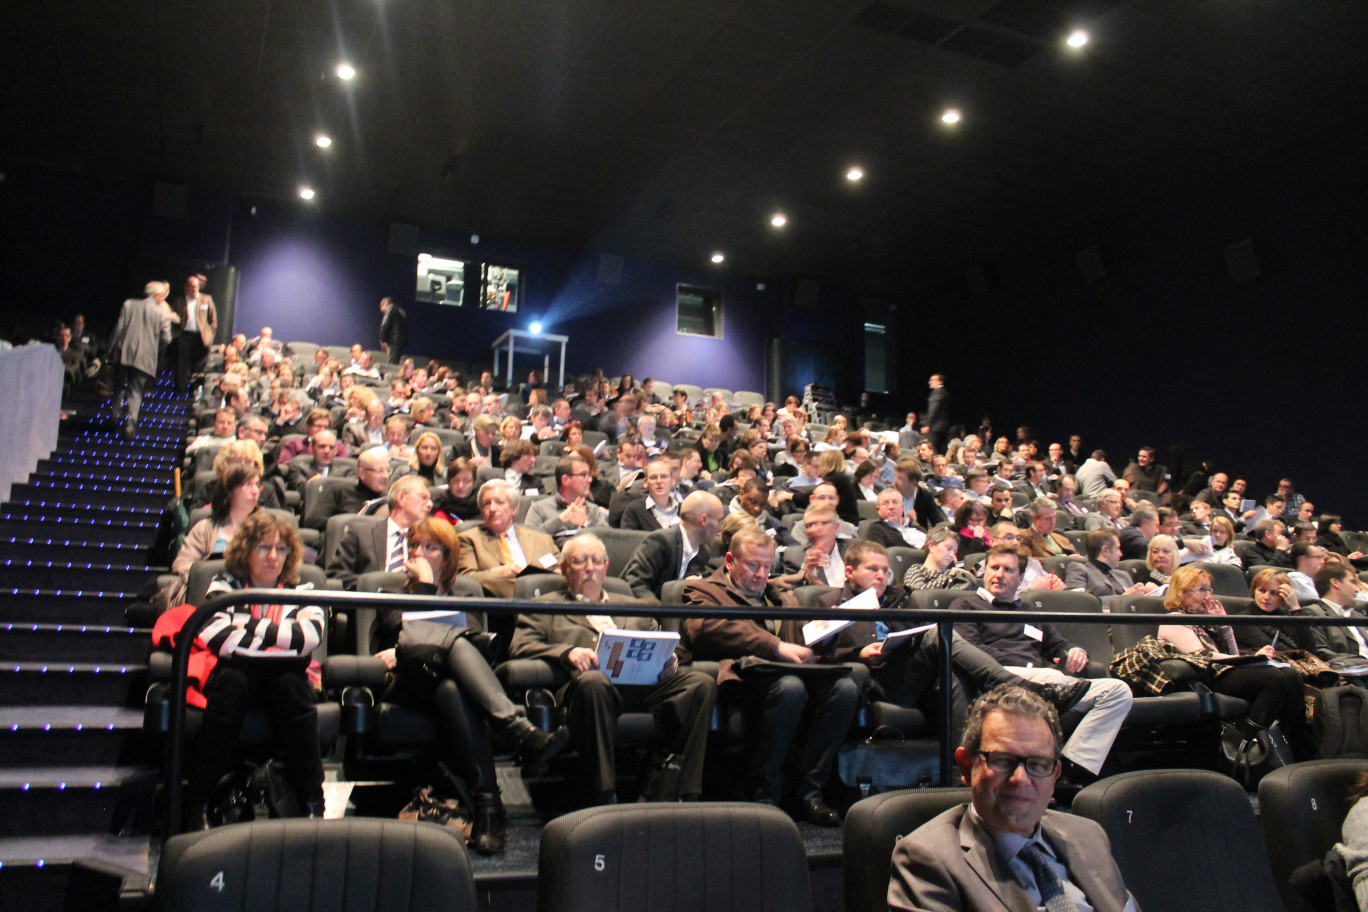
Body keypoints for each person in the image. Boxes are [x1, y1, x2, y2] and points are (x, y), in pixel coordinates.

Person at [373, 516, 567, 854]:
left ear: (447, 556)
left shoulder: (466, 591)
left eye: (430, 547)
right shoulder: (392, 592)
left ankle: (488, 810)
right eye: (414, 546)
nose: (419, 552)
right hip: (409, 684)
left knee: (452, 684)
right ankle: (518, 730)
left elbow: (479, 650)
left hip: (449, 686)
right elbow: (412, 640)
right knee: (456, 642)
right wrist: (424, 585)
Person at [887, 685, 1138, 912]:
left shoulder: (1088, 835)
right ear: (966, 766)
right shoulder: (928, 858)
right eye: (1003, 761)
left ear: (1055, 776)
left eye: (1038, 764)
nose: (1020, 779)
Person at [510, 534, 718, 806]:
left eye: (597, 561)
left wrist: (670, 660)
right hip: (586, 691)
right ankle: (602, 793)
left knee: (700, 683)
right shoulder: (546, 606)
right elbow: (520, 646)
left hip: (641, 686)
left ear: (606, 568)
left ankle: (681, 789)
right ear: (563, 569)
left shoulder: (630, 605)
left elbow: (666, 643)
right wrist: (567, 652)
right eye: (580, 561)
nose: (589, 568)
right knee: (594, 681)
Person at [813, 542, 1086, 741]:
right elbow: (816, 654)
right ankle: (1015, 685)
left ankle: (959, 770)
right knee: (940, 633)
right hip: (873, 681)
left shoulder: (901, 598)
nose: (881, 576)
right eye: (873, 569)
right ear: (849, 572)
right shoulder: (830, 603)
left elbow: (920, 634)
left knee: (947, 654)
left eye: (885, 570)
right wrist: (859, 653)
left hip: (909, 676)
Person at [682, 524, 858, 825]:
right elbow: (706, 628)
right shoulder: (703, 590)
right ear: (729, 561)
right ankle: (764, 793)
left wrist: (826, 632)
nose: (762, 575)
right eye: (753, 566)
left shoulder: (780, 595)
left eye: (767, 567)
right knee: (790, 688)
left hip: (789, 674)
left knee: (844, 688)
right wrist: (775, 646)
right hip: (741, 679)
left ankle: (809, 792)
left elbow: (799, 641)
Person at [183, 513, 328, 829]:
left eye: (281, 549)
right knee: (234, 681)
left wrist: (245, 625)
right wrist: (279, 636)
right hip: (239, 676)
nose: (273, 556)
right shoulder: (224, 584)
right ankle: (198, 804)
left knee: (291, 684)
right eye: (264, 547)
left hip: (284, 679)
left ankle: (313, 803)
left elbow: (310, 638)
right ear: (246, 550)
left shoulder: (303, 588)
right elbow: (213, 634)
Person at [951, 545, 1133, 781]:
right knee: (1058, 678)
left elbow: (1058, 644)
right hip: (998, 678)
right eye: (994, 568)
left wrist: (1073, 651)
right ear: (984, 572)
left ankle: (1071, 767)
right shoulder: (965, 606)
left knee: (1119, 691)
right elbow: (971, 651)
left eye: (1008, 570)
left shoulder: (1029, 611)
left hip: (1044, 679)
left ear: (1020, 578)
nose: (999, 574)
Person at [1156, 565, 1305, 744]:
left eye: (1208, 590)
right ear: (1181, 592)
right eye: (1201, 590)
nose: (1208, 596)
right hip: (1202, 677)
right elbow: (1204, 656)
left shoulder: (1205, 618)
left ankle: (1283, 740)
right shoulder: (1174, 620)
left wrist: (1224, 625)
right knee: (1273, 678)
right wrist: (1250, 659)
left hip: (1221, 672)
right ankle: (1245, 743)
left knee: (1291, 675)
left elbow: (1232, 653)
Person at [166, 464, 262, 606]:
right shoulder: (206, 528)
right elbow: (182, 564)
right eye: (248, 485)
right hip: (211, 598)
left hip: (254, 597)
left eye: (257, 485)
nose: (255, 491)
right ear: (229, 491)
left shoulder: (266, 530)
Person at [455, 480, 560, 598]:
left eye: (499, 502)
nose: (492, 508)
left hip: (549, 602)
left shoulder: (542, 538)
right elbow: (466, 579)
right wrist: (496, 572)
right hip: (503, 605)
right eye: (486, 504)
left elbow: (562, 570)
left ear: (513, 508)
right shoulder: (468, 539)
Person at [328, 475, 433, 588]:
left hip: (412, 602)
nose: (430, 504)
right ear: (401, 498)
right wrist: (374, 587)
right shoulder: (360, 533)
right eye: (423, 498)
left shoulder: (430, 542)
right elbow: (336, 575)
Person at [621, 490, 723, 600]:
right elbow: (635, 585)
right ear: (703, 520)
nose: (720, 528)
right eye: (719, 521)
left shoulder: (703, 552)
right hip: (644, 611)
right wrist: (661, 613)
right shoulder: (661, 541)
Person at [109, 281, 173, 438]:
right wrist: (153, 347)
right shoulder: (162, 314)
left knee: (118, 387)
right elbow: (167, 338)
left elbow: (118, 328)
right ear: (156, 296)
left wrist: (109, 349)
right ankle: (130, 425)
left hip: (123, 353)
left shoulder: (129, 304)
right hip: (144, 359)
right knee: (135, 392)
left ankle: (114, 416)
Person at [523, 453, 610, 547]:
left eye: (589, 475)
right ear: (565, 480)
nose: (589, 480)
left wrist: (586, 523)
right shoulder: (539, 508)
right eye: (583, 475)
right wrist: (560, 519)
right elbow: (529, 540)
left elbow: (609, 541)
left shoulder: (592, 509)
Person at [168, 273, 217, 393]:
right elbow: (170, 317)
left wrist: (210, 335)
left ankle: (195, 389)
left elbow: (213, 320)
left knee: (199, 364)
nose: (194, 288)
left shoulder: (206, 299)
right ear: (186, 287)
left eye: (196, 286)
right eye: (192, 286)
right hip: (184, 334)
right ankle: (180, 390)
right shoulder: (179, 301)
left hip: (200, 336)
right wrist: (174, 333)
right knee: (182, 363)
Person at [903, 526, 977, 591]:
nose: (952, 555)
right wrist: (949, 578)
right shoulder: (917, 570)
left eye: (954, 552)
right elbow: (919, 593)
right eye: (948, 548)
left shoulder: (951, 573)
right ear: (932, 546)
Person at [924, 373, 951, 454]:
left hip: (935, 427)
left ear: (940, 382)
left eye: (932, 380)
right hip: (944, 427)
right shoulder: (946, 393)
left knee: (932, 450)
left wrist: (928, 425)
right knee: (942, 450)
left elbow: (934, 410)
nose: (929, 382)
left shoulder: (937, 392)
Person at [379, 296, 407, 364]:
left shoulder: (390, 311)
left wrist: (382, 340)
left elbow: (384, 326)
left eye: (382, 307)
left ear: (385, 304)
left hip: (393, 341)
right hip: (400, 341)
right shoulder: (400, 311)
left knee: (392, 362)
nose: (381, 310)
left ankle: (390, 375)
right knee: (396, 361)